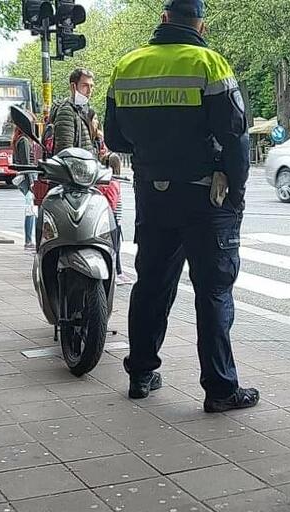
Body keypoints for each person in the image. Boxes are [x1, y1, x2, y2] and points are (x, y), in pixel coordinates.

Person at [105, 0, 259, 413]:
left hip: (153, 196)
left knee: (152, 285)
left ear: (164, 18)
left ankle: (141, 373)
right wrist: (237, 194)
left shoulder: (127, 66)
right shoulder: (209, 64)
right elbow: (236, 138)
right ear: (201, 25)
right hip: (206, 197)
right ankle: (220, 390)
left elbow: (116, 140)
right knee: (212, 292)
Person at [86, 108, 130, 285]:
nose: (97, 122)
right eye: (94, 119)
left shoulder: (99, 140)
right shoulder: (89, 142)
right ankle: (114, 271)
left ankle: (116, 270)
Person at [52, 68, 95, 154]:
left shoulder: (85, 111)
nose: (89, 91)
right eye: (85, 86)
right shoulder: (66, 111)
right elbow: (65, 151)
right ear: (73, 86)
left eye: (91, 86)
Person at [10, 115, 37, 250]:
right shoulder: (24, 141)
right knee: (31, 210)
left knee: (31, 209)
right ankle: (29, 240)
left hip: (26, 179)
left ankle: (30, 239)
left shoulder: (19, 139)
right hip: (29, 179)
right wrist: (32, 183)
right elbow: (27, 164)